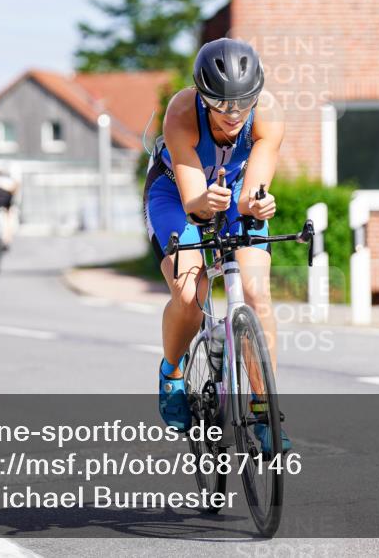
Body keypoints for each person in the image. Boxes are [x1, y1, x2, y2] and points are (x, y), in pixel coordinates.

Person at [143, 37, 290, 454]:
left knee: (257, 294)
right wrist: (204, 203)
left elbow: (252, 193)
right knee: (190, 292)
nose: (233, 115)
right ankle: (172, 372)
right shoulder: (181, 111)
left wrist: (258, 203)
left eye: (243, 103)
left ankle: (263, 411)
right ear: (202, 97)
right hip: (175, 193)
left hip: (234, 189)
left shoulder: (268, 114)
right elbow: (194, 202)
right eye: (221, 105)